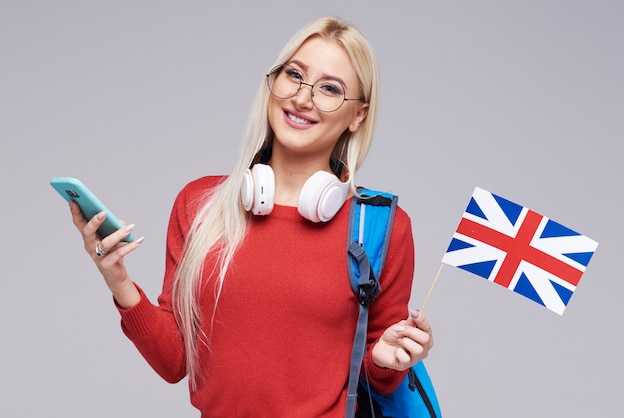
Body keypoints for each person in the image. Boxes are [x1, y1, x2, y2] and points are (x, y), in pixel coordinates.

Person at [69, 16, 433, 417]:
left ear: (357, 116)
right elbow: (175, 361)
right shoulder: (201, 204)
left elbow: (375, 377)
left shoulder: (380, 226)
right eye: (294, 75)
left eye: (330, 88)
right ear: (270, 84)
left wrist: (388, 359)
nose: (303, 98)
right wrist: (117, 279)